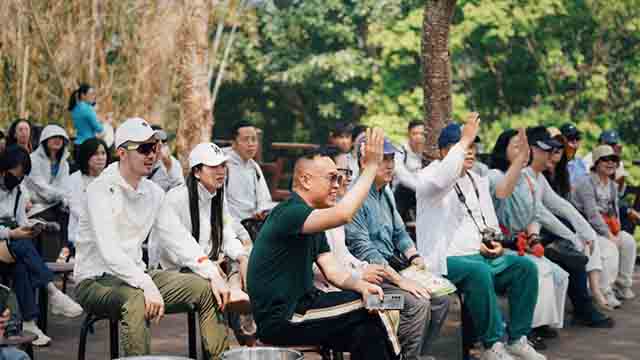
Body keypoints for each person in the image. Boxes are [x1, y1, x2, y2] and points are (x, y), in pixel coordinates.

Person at [73, 117, 229, 358]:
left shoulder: (154, 193)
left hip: (137, 275)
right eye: (144, 148)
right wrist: (145, 284)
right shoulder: (99, 190)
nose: (152, 155)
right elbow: (110, 252)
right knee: (135, 299)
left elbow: (177, 237)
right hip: (95, 280)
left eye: (155, 148)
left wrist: (210, 271)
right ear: (122, 152)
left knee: (207, 288)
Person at [247, 128, 401, 360]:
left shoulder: (311, 218)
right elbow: (343, 214)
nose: (338, 185)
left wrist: (361, 285)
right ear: (305, 180)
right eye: (332, 178)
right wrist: (370, 167)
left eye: (340, 178)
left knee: (369, 330)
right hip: (285, 317)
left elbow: (333, 271)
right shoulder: (290, 213)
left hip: (308, 306)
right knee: (381, 306)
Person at [415, 115, 544, 360]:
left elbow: (498, 200)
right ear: (443, 152)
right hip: (445, 260)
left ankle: (517, 339)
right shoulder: (430, 177)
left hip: (479, 256)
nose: (470, 152)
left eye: (474, 147)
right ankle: (491, 345)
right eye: (464, 147)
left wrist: (519, 162)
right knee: (478, 272)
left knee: (525, 267)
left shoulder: (476, 179)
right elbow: (444, 176)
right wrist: (464, 139)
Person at [341, 140, 450, 359]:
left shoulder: (386, 191)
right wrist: (401, 281)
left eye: (392, 159)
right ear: (365, 162)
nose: (390, 165)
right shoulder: (355, 198)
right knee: (417, 303)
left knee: (441, 298)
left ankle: (417, 353)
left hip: (394, 270)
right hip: (369, 287)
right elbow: (365, 252)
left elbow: (400, 233)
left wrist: (414, 255)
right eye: (383, 159)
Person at [149, 142, 256, 345]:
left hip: (208, 263)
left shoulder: (217, 196)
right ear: (197, 172)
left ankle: (237, 300)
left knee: (241, 261)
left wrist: (242, 256)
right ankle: (241, 343)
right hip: (176, 268)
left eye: (223, 166)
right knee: (216, 287)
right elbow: (171, 249)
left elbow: (227, 235)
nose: (221, 171)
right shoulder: (177, 198)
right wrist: (208, 266)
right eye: (214, 166)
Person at [488, 129, 570, 349]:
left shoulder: (525, 178)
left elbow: (533, 213)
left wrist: (533, 237)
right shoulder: (495, 175)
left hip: (522, 241)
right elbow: (501, 195)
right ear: (502, 149)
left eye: (523, 147)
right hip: (499, 245)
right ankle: (526, 330)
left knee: (560, 275)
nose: (521, 151)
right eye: (516, 146)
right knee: (539, 270)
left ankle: (544, 323)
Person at [526, 126, 617, 322]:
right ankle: (582, 307)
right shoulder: (525, 175)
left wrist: (586, 233)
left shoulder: (542, 176)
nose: (554, 152)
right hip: (527, 237)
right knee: (571, 254)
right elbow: (540, 213)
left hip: (547, 232)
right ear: (533, 150)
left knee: (580, 248)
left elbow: (562, 206)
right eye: (549, 148)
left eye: (557, 147)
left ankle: (586, 305)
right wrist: (573, 237)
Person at [0, 145, 83, 346]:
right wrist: (10, 233)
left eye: (21, 177)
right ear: (3, 168)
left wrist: (31, 227)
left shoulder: (18, 191)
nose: (17, 180)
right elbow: (12, 230)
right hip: (4, 239)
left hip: (11, 245)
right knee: (21, 246)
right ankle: (52, 291)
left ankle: (29, 321)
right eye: (15, 175)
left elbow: (21, 220)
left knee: (21, 262)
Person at [572, 145, 636, 301]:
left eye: (614, 159)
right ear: (596, 162)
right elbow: (592, 215)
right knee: (609, 247)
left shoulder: (612, 185)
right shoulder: (585, 183)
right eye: (606, 159)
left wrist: (615, 232)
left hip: (605, 227)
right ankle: (605, 290)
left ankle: (622, 285)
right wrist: (609, 235)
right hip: (586, 229)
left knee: (628, 241)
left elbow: (613, 211)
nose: (611, 163)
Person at [23, 125, 72, 262]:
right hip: (35, 205)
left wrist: (62, 197)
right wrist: (61, 195)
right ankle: (48, 262)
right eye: (54, 137)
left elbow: (66, 187)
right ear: (45, 139)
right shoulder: (33, 160)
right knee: (51, 218)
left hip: (57, 205)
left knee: (67, 213)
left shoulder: (64, 164)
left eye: (61, 138)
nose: (58, 140)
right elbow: (41, 189)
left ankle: (62, 258)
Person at [224, 121, 274, 229]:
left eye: (254, 139)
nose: (251, 144)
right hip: (231, 226)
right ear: (233, 143)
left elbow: (264, 199)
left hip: (253, 223)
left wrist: (261, 211)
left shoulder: (254, 166)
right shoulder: (223, 165)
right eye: (246, 139)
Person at [65, 138, 110, 258]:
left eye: (103, 153)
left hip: (108, 237)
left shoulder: (110, 178)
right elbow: (76, 209)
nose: (101, 157)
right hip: (81, 236)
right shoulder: (74, 179)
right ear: (86, 156)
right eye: (95, 154)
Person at [393, 120, 426, 222]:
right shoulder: (401, 150)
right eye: (415, 134)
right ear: (409, 135)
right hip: (404, 193)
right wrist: (420, 187)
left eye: (421, 134)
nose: (418, 137)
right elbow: (401, 174)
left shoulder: (428, 152)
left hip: (423, 192)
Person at [146, 125, 184, 192]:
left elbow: (180, 189)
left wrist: (169, 167)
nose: (160, 144)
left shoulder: (173, 163)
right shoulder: (140, 158)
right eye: (156, 140)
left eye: (163, 141)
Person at [543, 128, 571, 200]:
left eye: (560, 142)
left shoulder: (564, 171)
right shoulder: (538, 172)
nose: (557, 146)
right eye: (552, 142)